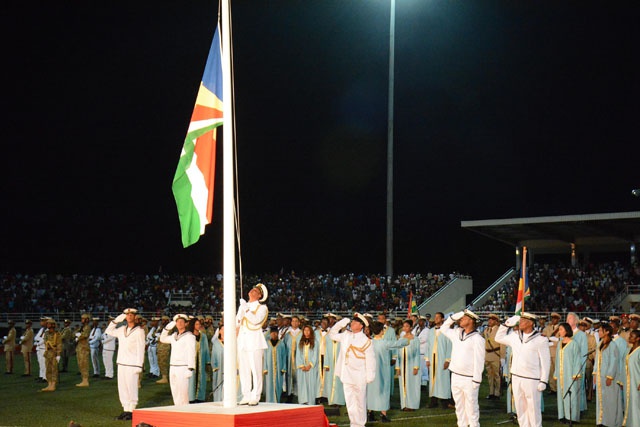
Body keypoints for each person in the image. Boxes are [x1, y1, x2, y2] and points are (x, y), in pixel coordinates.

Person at [496, 312, 550, 427]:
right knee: (520, 408)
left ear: (530, 323)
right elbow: (498, 337)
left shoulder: (540, 339)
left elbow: (545, 362)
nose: (519, 322)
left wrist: (544, 380)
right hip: (516, 376)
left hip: (532, 379)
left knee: (533, 409)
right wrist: (506, 324)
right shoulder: (515, 336)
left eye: (523, 320)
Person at [329, 313, 376, 427]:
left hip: (360, 376)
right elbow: (332, 334)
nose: (352, 323)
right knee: (350, 402)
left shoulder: (366, 341)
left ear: (361, 326)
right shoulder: (346, 335)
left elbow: (371, 360)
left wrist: (370, 376)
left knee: (360, 402)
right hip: (347, 374)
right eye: (352, 321)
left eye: (355, 322)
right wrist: (341, 323)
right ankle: (353, 423)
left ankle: (360, 424)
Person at [441, 309, 485, 427]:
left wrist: (477, 379)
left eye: (464, 318)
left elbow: (479, 360)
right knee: (459, 406)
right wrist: (452, 318)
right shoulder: (457, 333)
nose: (461, 319)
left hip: (469, 378)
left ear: (471, 321)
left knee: (471, 407)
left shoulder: (478, 339)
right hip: (455, 375)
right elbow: (443, 328)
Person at [105, 308, 146, 421]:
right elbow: (109, 330)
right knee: (122, 388)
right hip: (121, 362)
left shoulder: (139, 331)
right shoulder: (122, 329)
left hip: (132, 364)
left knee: (131, 387)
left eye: (131, 314)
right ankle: (125, 409)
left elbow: (141, 348)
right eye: (127, 314)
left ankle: (132, 410)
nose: (129, 316)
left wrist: (139, 365)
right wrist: (119, 318)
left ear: (135, 317)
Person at [366, 320, 407, 423]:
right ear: (381, 331)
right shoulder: (384, 343)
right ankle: (383, 414)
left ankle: (370, 413)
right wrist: (407, 340)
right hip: (383, 371)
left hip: (371, 371)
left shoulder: (369, 343)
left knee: (371, 391)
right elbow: (397, 344)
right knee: (383, 391)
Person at [236, 283, 269, 406]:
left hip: (255, 342)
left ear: (260, 295)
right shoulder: (243, 306)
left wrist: (246, 308)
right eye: (252, 289)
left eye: (255, 291)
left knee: (256, 370)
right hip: (243, 342)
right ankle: (246, 394)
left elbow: (256, 320)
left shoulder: (262, 307)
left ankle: (255, 395)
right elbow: (237, 323)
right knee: (244, 370)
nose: (252, 291)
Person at [159, 313, 196, 406]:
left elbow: (191, 352)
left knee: (183, 392)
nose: (179, 323)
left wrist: (190, 368)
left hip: (183, 367)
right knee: (175, 391)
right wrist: (167, 328)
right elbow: (162, 338)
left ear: (186, 323)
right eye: (177, 322)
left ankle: (184, 411)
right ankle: (177, 409)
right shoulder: (174, 336)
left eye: (181, 322)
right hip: (173, 366)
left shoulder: (189, 336)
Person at [593, 322, 622, 427]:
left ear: (607, 332)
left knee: (610, 400)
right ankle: (601, 420)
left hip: (608, 377)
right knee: (602, 399)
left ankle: (609, 422)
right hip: (600, 376)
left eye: (601, 330)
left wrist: (610, 376)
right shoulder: (600, 344)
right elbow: (597, 360)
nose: (599, 332)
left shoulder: (613, 345)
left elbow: (614, 362)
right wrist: (595, 374)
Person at [553, 322, 581, 423]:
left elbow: (577, 360)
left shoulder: (573, 344)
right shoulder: (560, 344)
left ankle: (571, 417)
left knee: (571, 394)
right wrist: (556, 373)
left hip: (570, 374)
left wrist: (575, 373)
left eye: (561, 329)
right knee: (561, 393)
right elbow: (557, 359)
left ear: (566, 330)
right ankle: (562, 415)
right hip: (561, 374)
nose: (559, 332)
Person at [426, 311, 453, 409]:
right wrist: (427, 359)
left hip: (442, 357)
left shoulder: (447, 331)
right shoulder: (431, 331)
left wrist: (447, 359)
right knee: (433, 379)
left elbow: (450, 345)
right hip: (432, 358)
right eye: (435, 317)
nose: (436, 318)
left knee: (443, 379)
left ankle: (445, 401)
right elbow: (428, 345)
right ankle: (433, 400)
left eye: (438, 317)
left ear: (442, 319)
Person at [397, 319, 421, 411]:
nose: (405, 328)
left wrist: (416, 367)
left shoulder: (415, 339)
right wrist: (398, 367)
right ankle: (404, 404)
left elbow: (417, 353)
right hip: (402, 364)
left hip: (411, 365)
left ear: (411, 327)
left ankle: (412, 404)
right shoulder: (401, 339)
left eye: (407, 326)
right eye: (404, 326)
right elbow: (398, 353)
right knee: (403, 384)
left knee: (411, 384)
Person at [188, 317, 211, 403]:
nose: (198, 326)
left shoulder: (203, 336)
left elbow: (206, 349)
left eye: (199, 324)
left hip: (200, 360)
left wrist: (207, 361)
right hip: (191, 361)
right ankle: (191, 397)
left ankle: (200, 397)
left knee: (201, 378)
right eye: (196, 324)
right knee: (191, 379)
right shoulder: (189, 336)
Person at [296, 324, 319, 405]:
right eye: (305, 330)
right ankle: (303, 400)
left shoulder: (315, 342)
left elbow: (315, 355)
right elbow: (298, 354)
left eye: (308, 330)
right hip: (302, 367)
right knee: (302, 384)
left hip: (311, 367)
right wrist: (302, 365)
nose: (306, 332)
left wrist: (310, 365)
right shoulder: (300, 342)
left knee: (311, 384)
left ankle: (311, 401)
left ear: (311, 332)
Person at [263, 325, 287, 403]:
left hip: (279, 367)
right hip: (269, 369)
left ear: (278, 333)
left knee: (278, 384)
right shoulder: (267, 344)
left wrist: (283, 367)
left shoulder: (281, 344)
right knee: (269, 385)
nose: (274, 334)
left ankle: (277, 400)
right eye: (272, 333)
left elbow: (284, 356)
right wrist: (265, 368)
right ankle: (269, 401)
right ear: (270, 334)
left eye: (275, 333)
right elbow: (265, 357)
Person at [484, 313, 504, 400]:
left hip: (496, 354)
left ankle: (497, 393)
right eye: (489, 319)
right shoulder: (486, 330)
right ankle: (491, 392)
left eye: (492, 320)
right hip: (487, 355)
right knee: (489, 375)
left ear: (496, 321)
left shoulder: (500, 330)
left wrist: (502, 357)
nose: (489, 321)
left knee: (497, 375)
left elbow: (502, 344)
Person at [622, 329, 640, 427]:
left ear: (638, 338)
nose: (629, 338)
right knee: (629, 403)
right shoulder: (628, 350)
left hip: (636, 382)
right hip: (628, 381)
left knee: (636, 404)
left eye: (632, 336)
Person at [284, 315, 302, 402]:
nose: (294, 323)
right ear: (291, 323)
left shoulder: (302, 333)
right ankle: (289, 393)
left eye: (296, 321)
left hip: (299, 358)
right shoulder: (287, 334)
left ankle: (299, 393)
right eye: (293, 321)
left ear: (299, 323)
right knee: (289, 375)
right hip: (289, 358)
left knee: (299, 376)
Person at [40, 318, 62, 392]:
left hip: (54, 353)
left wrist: (58, 354)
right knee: (48, 369)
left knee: (54, 369)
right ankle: (49, 384)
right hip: (48, 353)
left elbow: (59, 344)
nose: (47, 325)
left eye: (49, 324)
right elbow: (46, 341)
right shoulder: (46, 333)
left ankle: (53, 385)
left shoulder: (57, 334)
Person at [543, 312, 562, 394]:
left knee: (557, 370)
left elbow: (561, 340)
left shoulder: (561, 328)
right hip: (548, 352)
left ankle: (559, 387)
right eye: (552, 318)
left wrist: (552, 342)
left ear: (558, 319)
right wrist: (550, 340)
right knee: (550, 371)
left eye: (555, 318)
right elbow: (543, 338)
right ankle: (552, 388)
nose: (553, 320)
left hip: (557, 352)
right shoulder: (547, 328)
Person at [75, 313, 92, 387]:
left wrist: (78, 337)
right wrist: (77, 335)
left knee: (84, 364)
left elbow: (84, 335)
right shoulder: (82, 327)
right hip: (80, 347)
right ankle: (83, 380)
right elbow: (75, 333)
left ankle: (85, 381)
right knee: (80, 364)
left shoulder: (87, 327)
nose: (82, 320)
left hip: (84, 348)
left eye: (83, 318)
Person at [156, 315, 171, 384]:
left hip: (165, 346)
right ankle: (164, 376)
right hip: (160, 346)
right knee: (160, 361)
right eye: (162, 320)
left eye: (165, 320)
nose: (163, 321)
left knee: (164, 361)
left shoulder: (169, 328)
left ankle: (165, 377)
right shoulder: (160, 327)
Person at [34, 317, 47, 382]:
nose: (41, 322)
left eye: (42, 321)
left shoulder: (47, 330)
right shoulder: (42, 329)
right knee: (40, 363)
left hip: (44, 348)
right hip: (39, 348)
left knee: (44, 363)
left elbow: (43, 339)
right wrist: (38, 340)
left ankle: (45, 377)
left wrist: (38, 341)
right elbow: (36, 337)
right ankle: (41, 376)